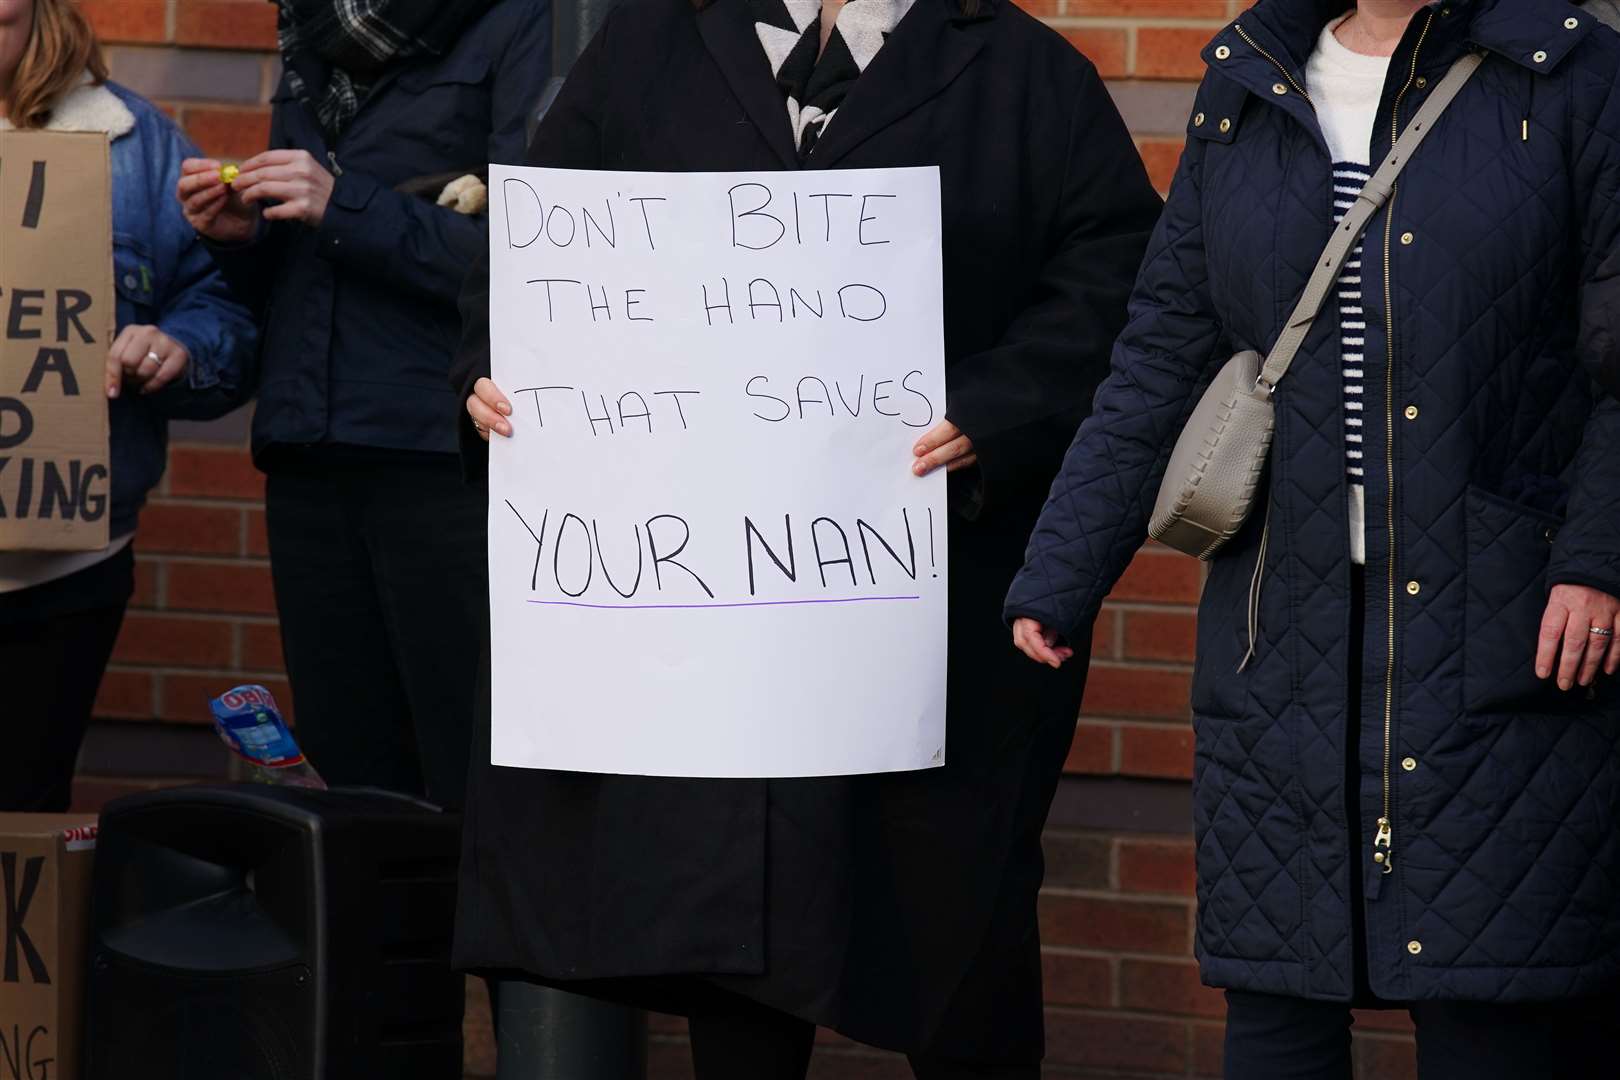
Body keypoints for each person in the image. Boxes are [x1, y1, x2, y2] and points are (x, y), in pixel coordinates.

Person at [451, 1, 1162, 1076]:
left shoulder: (1024, 72)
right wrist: (496, 380)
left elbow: (1121, 284)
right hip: (711, 624)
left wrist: (994, 407)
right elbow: (530, 253)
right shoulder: (652, 43)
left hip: (927, 606)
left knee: (956, 934)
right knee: (735, 944)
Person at [1005, 1, 1620, 1077]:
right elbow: (1164, 347)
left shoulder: (1570, 73)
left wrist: (1598, 559)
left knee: (1492, 1018)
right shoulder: (1250, 76)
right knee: (1278, 1020)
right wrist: (1060, 571)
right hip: (1280, 634)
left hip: (1501, 632)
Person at [176, 0, 551, 808]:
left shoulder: (520, 20)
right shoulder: (313, 27)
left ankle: (465, 939)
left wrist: (340, 205)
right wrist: (239, 236)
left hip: (438, 453)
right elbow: (299, 263)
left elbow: (539, 259)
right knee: (346, 771)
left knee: (465, 761)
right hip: (308, 446)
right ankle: (371, 935)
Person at [0, 0, 255, 812]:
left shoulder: (135, 145)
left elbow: (222, 314)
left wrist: (175, 347)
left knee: (23, 814)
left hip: (66, 565)